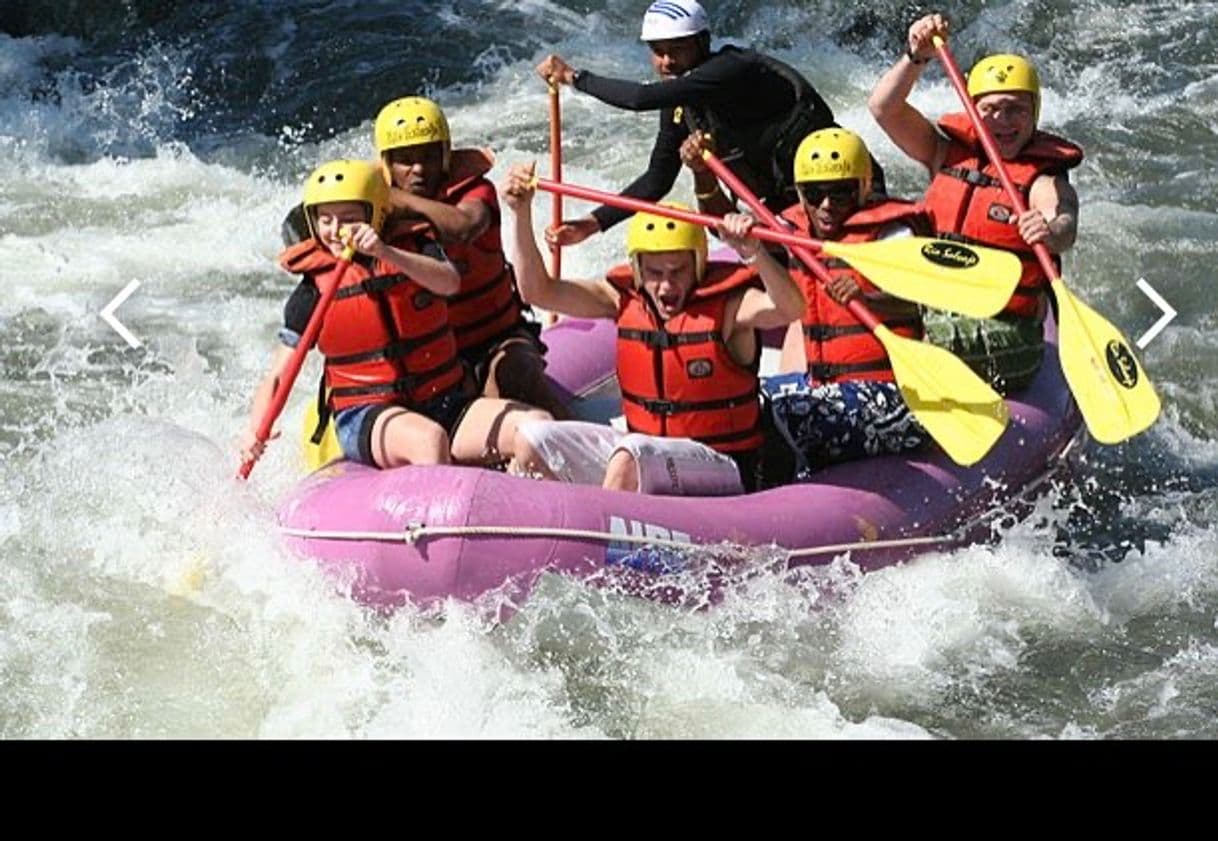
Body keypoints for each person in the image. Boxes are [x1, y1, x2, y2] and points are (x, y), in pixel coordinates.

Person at [500, 162, 806, 494]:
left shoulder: (731, 308)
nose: (665, 286)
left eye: (677, 271)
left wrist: (754, 251)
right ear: (637, 268)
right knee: (534, 440)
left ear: (698, 265)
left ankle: (602, 534)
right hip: (648, 451)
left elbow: (791, 307)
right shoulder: (619, 300)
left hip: (722, 462)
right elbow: (537, 291)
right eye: (655, 273)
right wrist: (520, 213)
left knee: (631, 456)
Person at [239, 159, 550, 470]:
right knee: (429, 441)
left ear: (376, 215)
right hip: (366, 413)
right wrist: (256, 427)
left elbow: (449, 282)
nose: (335, 231)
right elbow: (279, 373)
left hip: (445, 401)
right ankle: (440, 517)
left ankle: (531, 506)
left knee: (537, 427)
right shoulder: (313, 290)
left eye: (348, 219)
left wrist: (385, 253)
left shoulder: (415, 248)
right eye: (325, 220)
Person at [535, 0, 872, 246]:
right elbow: (656, 180)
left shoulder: (733, 69)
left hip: (841, 195)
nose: (666, 61)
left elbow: (639, 99)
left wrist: (574, 77)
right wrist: (590, 225)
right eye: (658, 51)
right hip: (786, 210)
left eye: (677, 49)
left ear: (702, 42)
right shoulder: (681, 101)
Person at [868, 13, 1082, 392]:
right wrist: (915, 57)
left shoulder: (1040, 178)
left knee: (921, 340)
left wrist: (1049, 231)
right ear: (973, 112)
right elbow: (884, 109)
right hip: (935, 306)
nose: (1003, 119)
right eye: (991, 109)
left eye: (1017, 109)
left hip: (1005, 329)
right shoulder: (943, 154)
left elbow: (1063, 217)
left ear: (1034, 116)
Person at [372, 95, 571, 419]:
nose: (419, 169)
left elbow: (465, 226)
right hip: (427, 359)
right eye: (405, 160)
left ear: (446, 157)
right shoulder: (373, 211)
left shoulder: (476, 192)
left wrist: (402, 201)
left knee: (514, 375)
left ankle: (579, 450)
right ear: (386, 165)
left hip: (495, 340)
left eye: (429, 157)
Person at [760, 128, 932, 482]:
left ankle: (777, 499)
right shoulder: (794, 232)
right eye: (814, 193)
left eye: (840, 193)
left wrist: (865, 298)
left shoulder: (894, 236)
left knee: (787, 414)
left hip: (895, 399)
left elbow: (923, 305)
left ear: (864, 189)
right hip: (823, 387)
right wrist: (705, 181)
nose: (826, 205)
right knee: (745, 403)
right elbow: (726, 227)